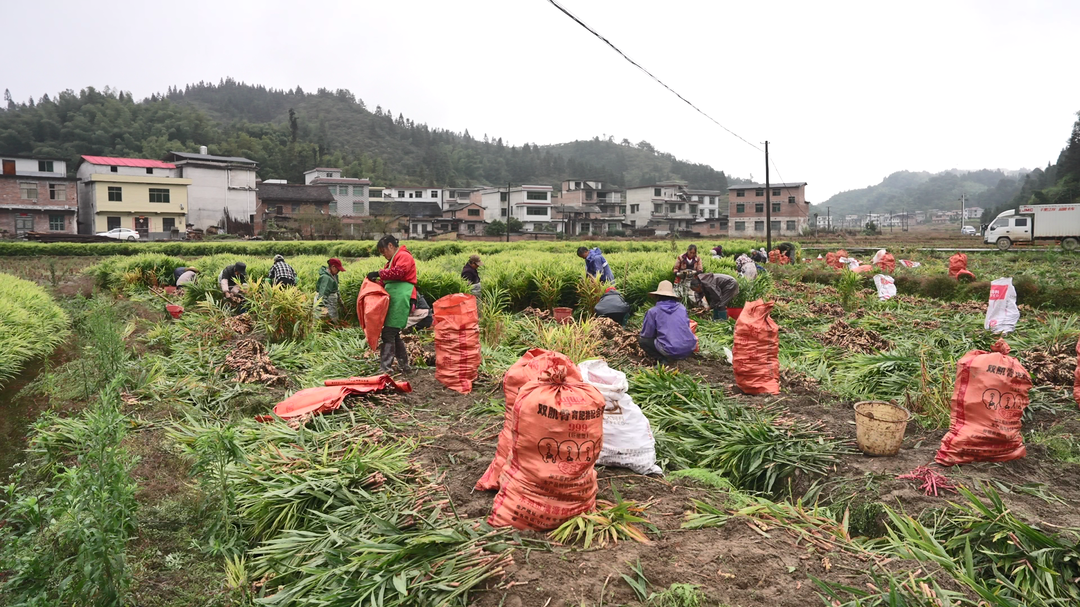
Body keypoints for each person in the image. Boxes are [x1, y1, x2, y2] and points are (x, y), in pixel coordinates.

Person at [367, 235, 417, 374]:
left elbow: (399, 273)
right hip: (395, 298)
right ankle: (404, 366)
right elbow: (386, 280)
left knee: (389, 332)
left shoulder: (403, 256)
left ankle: (386, 368)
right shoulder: (392, 260)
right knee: (393, 333)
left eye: (383, 251)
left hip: (400, 298)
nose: (383, 255)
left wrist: (378, 273)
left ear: (390, 246)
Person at [639, 280, 697, 365]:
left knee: (643, 341)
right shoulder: (682, 308)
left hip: (671, 350)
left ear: (657, 296)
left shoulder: (653, 311)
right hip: (689, 347)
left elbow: (647, 335)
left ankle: (663, 360)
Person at [317, 258, 345, 322]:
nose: (339, 271)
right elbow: (322, 295)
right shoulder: (326, 278)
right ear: (333, 267)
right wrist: (323, 309)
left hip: (332, 303)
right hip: (327, 303)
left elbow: (336, 290)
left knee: (333, 321)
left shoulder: (334, 276)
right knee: (328, 322)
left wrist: (341, 302)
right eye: (338, 269)